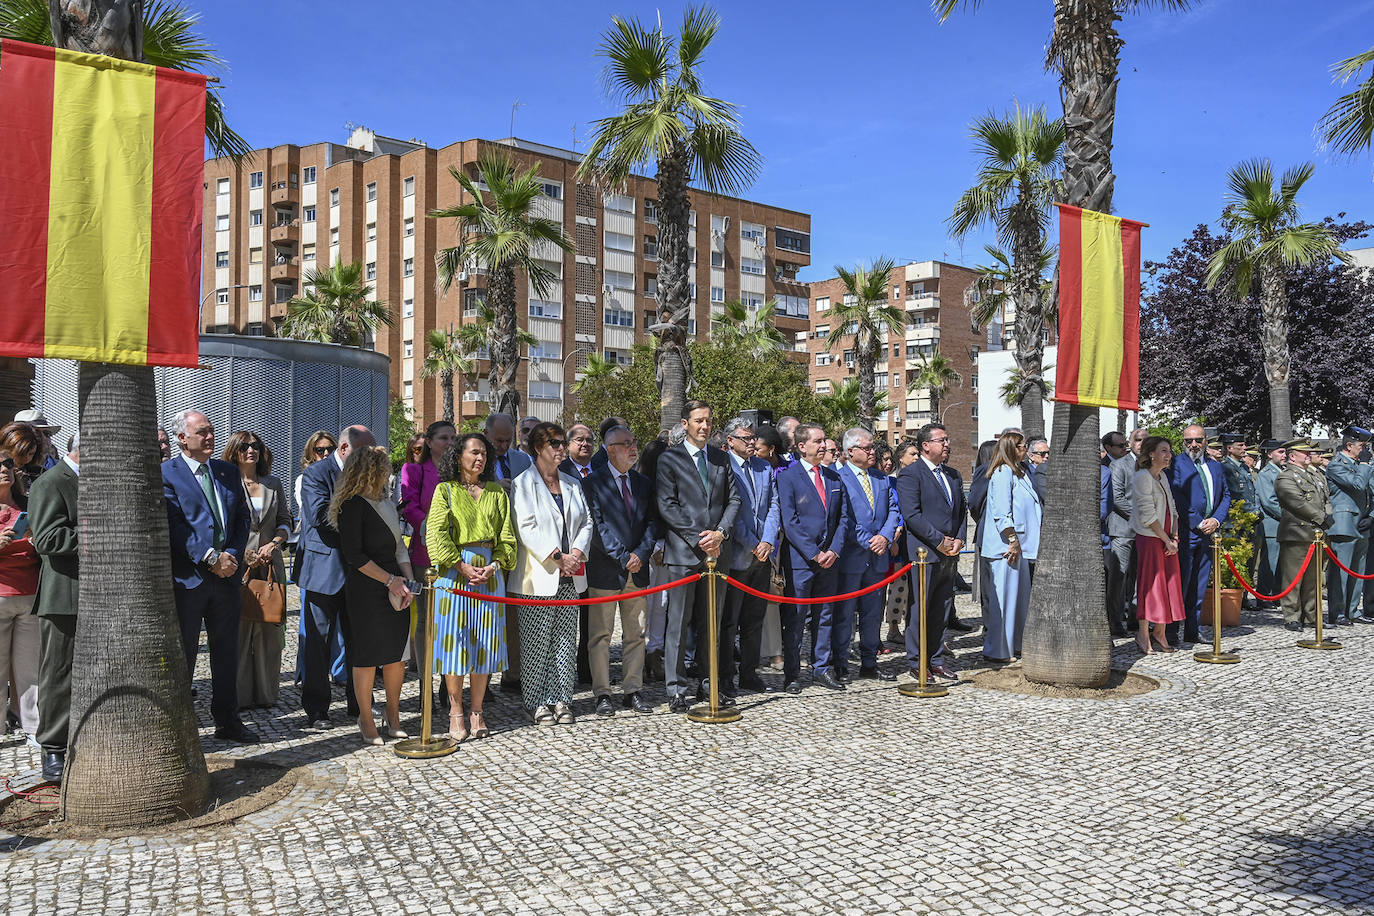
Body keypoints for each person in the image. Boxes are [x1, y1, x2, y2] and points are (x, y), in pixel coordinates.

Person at [161, 410, 256, 743]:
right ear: (182, 438)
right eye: (202, 432)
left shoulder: (227, 472)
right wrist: (209, 557)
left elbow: (243, 518)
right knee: (184, 652)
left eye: (212, 431)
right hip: (190, 579)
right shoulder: (167, 473)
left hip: (227, 577)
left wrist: (230, 554)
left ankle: (228, 720)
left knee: (226, 651)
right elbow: (175, 525)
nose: (210, 437)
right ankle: (181, 728)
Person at [427, 432, 518, 739]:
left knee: (486, 644)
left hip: (490, 574)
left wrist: (494, 564)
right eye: (474, 453)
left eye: (484, 454)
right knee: (454, 644)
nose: (480, 458)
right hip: (454, 575)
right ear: (459, 456)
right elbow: (437, 533)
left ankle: (477, 710)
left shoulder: (496, 492)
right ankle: (455, 711)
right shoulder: (445, 491)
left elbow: (507, 537)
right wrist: (461, 565)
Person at [655, 401, 740, 712]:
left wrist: (720, 534)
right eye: (698, 421)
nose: (705, 426)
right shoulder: (670, 459)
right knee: (678, 622)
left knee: (712, 624)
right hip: (684, 553)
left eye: (708, 420)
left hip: (718, 553)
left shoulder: (721, 458)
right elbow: (667, 505)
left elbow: (734, 499)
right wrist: (699, 538)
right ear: (685, 424)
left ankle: (709, 683)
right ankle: (676, 689)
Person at [331, 446, 415, 745]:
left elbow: (399, 547)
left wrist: (407, 580)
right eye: (383, 469)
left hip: (396, 584)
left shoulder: (386, 503)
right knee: (366, 656)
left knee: (396, 655)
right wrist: (390, 580)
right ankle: (366, 719)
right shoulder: (351, 505)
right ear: (369, 471)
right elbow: (354, 556)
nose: (388, 474)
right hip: (367, 588)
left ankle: (393, 716)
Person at [510, 422, 592, 725]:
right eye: (554, 443)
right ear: (537, 448)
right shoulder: (523, 484)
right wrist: (558, 557)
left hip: (571, 575)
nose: (560, 449)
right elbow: (526, 527)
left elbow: (586, 522)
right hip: (538, 577)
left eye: (561, 443)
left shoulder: (572, 483)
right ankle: (535, 701)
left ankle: (562, 698)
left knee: (564, 641)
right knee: (536, 642)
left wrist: (577, 555)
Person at [296, 425, 374, 728]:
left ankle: (360, 706)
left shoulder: (368, 474)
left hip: (360, 570)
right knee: (319, 642)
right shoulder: (316, 474)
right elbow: (317, 516)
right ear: (345, 449)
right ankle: (317, 710)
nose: (368, 458)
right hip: (323, 570)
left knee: (359, 642)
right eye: (363, 452)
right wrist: (360, 525)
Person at [582, 426, 658, 715]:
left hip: (637, 572)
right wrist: (623, 556)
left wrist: (640, 553)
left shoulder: (642, 483)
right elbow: (596, 526)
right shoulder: (593, 483)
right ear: (610, 449)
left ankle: (632, 690)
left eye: (633, 441)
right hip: (605, 570)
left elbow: (652, 523)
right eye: (625, 443)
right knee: (600, 635)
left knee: (636, 634)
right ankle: (602, 693)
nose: (632, 447)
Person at [776, 423, 851, 692]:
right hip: (800, 561)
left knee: (825, 615)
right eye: (817, 441)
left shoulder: (833, 478)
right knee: (796, 618)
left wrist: (833, 550)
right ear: (801, 446)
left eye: (824, 441)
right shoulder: (787, 477)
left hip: (830, 559)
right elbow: (790, 521)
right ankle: (793, 674)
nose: (823, 446)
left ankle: (821, 668)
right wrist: (814, 553)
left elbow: (843, 518)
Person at [222, 431, 292, 711]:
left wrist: (275, 543)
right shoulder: (225, 483)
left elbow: (286, 521)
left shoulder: (273, 483)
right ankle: (238, 696)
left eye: (256, 446)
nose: (251, 450)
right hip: (238, 567)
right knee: (238, 632)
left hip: (271, 566)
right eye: (245, 446)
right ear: (234, 450)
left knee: (269, 633)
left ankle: (266, 694)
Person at [893, 422, 967, 682]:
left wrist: (958, 539)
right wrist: (939, 541)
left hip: (949, 553)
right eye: (941, 440)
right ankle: (917, 660)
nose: (947, 445)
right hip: (925, 553)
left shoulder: (954, 475)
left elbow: (960, 512)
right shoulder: (911, 474)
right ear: (926, 446)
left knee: (942, 607)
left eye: (947, 440)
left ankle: (936, 659)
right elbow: (912, 515)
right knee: (920, 608)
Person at [29, 433, 77, 781]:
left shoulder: (89, 480)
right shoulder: (51, 481)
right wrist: (100, 534)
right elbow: (46, 538)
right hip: (63, 596)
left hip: (96, 594)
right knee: (58, 674)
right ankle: (53, 749)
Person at [836, 427, 901, 680]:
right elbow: (844, 518)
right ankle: (841, 663)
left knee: (872, 614)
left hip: (877, 558)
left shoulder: (882, 479)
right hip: (852, 557)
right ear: (851, 452)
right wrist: (868, 540)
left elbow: (894, 510)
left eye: (873, 447)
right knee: (845, 614)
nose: (873, 451)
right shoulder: (838, 478)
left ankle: (870, 662)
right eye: (867, 448)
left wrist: (884, 537)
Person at [721, 417, 780, 694]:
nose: (751, 443)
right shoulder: (724, 466)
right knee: (729, 621)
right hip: (737, 555)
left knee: (754, 619)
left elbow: (773, 506)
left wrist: (768, 540)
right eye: (745, 438)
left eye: (752, 437)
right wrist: (754, 543)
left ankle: (749, 673)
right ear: (730, 440)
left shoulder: (763, 467)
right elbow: (731, 513)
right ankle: (724, 677)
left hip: (762, 556)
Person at [980, 433, 1042, 662]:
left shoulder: (1020, 472)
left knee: (1018, 601)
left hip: (1022, 546)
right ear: (1011, 448)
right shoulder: (1002, 472)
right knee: (1004, 602)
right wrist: (1013, 540)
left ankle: (1014, 645)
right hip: (1006, 547)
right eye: (1022, 446)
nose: (1026, 449)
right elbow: (1002, 512)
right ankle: (997, 649)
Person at [1168, 424, 1231, 647]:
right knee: (1180, 584)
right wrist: (1198, 521)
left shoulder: (1215, 467)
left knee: (1199, 584)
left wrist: (1216, 520)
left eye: (1198, 440)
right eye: (1188, 441)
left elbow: (1226, 496)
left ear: (1205, 441)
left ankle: (1193, 630)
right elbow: (1177, 496)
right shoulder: (1176, 465)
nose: (1193, 445)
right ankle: (1171, 631)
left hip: (1208, 534)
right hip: (1186, 532)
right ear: (1183, 442)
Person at [0, 438, 40, 749]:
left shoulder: (27, 505)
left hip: (30, 593)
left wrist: (38, 542)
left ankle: (33, 729)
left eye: (8, 465)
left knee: (29, 668)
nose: (5, 470)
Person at [1132, 436, 1184, 654]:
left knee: (1168, 586)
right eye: (1163, 450)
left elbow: (1172, 509)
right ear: (1151, 453)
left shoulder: (1162, 477)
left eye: (1169, 451)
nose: (1168, 455)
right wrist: (1166, 540)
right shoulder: (1142, 477)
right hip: (1150, 539)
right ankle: (1143, 634)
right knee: (1150, 586)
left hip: (1167, 539)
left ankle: (1160, 632)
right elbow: (1147, 515)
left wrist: (1175, 538)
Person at [1275, 439, 1331, 632]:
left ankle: (1311, 615)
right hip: (1296, 532)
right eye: (1304, 452)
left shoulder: (1315, 476)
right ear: (1292, 456)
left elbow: (1325, 498)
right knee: (1293, 578)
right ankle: (1292, 616)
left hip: (1316, 533)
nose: (1309, 455)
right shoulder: (1286, 477)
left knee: (1313, 579)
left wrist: (1327, 516)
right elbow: (1297, 502)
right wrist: (1321, 517)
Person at [1324, 429, 1372, 626]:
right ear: (1349, 445)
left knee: (1358, 570)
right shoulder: (1336, 465)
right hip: (1344, 521)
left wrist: (1371, 516)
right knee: (1341, 572)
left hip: (1362, 520)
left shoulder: (1359, 465)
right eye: (1361, 446)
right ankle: (1338, 611)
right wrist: (1364, 464)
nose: (1364, 450)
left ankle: (1352, 610)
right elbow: (1358, 485)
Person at [399, 421, 456, 572]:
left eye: (453, 438)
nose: (450, 443)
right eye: (444, 438)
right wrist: (437, 531)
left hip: (459, 553)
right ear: (429, 442)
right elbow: (410, 508)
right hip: (426, 551)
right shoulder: (413, 470)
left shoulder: (461, 472)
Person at [636, 437, 671, 682]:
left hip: (669, 549)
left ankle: (655, 652)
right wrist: (654, 547)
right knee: (645, 606)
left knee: (662, 604)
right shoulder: (642, 485)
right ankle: (639, 656)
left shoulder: (670, 484)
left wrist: (667, 544)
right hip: (648, 550)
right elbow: (642, 521)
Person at [1104, 430, 1141, 636]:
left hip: (1144, 531)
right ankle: (1115, 621)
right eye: (1137, 440)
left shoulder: (1149, 465)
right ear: (1130, 443)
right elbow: (1117, 498)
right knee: (1119, 577)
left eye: (1145, 440)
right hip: (1123, 529)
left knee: (1138, 578)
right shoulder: (1118, 465)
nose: (1141, 444)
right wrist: (1141, 520)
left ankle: (1135, 618)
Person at [1255, 439, 1287, 602]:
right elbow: (1269, 501)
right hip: (1272, 523)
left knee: (1281, 563)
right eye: (1280, 452)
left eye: (1284, 452)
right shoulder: (1266, 474)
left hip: (1283, 524)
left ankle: (1276, 594)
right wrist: (1289, 515)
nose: (1284, 455)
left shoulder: (1282, 472)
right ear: (1269, 454)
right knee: (1270, 563)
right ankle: (1264, 595)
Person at [485, 413, 533, 484]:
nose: (504, 446)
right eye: (499, 441)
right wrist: (495, 488)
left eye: (508, 440)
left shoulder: (523, 460)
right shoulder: (477, 460)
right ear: (486, 433)